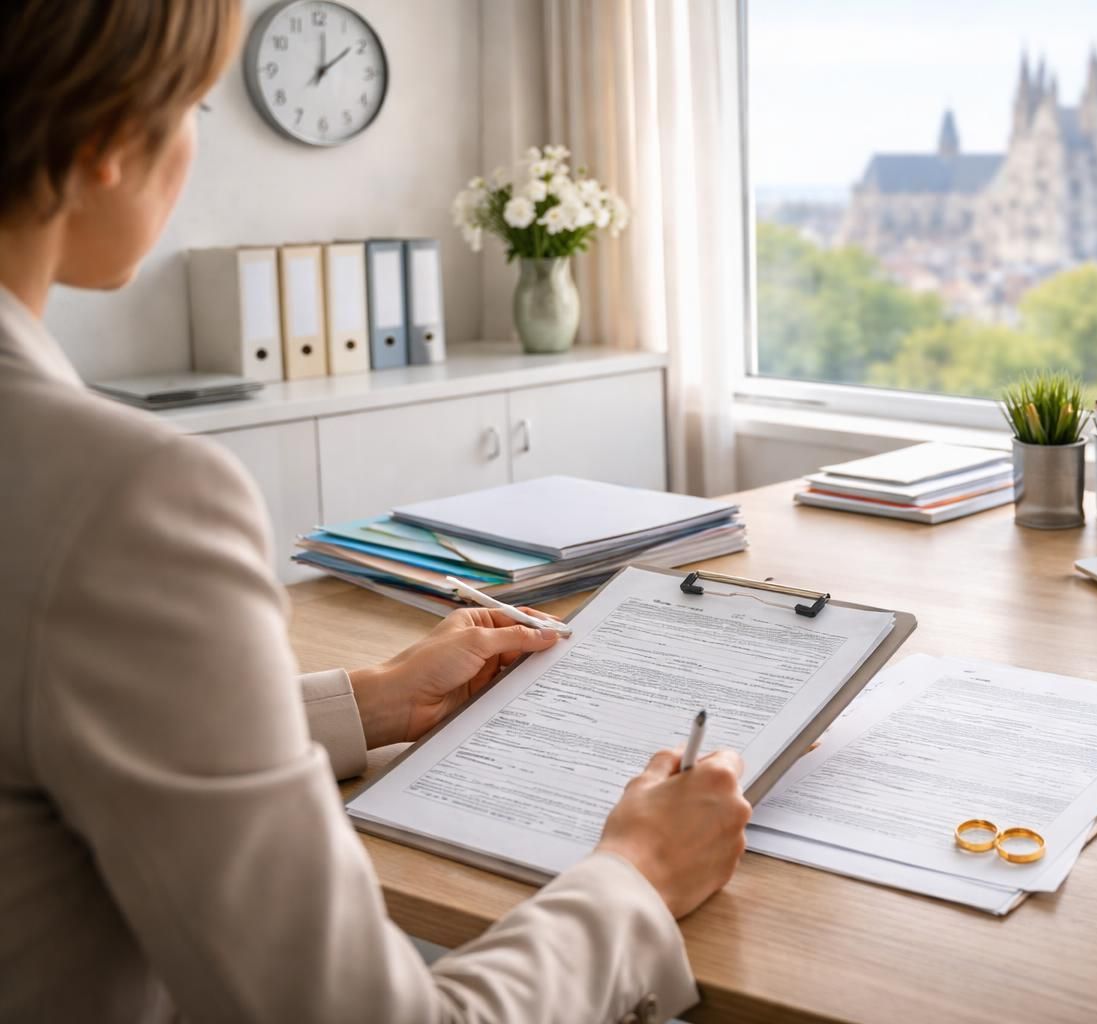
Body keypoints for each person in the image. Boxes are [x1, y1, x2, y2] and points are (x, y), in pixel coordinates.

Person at [0, 3, 751, 1021]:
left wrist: (372, 700)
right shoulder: (122, 498)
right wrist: (633, 875)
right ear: (100, 145)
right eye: (195, 106)